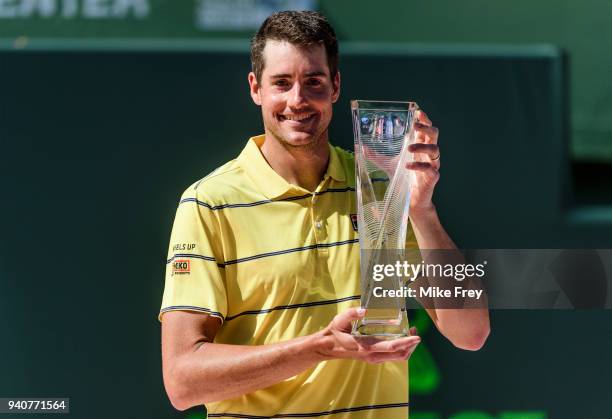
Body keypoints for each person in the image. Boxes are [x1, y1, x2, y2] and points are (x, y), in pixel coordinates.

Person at [159, 10, 490, 419]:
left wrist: (422, 211)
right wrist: (317, 348)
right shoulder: (209, 203)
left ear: (335, 86)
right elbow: (183, 381)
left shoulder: (381, 192)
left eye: (313, 82)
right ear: (255, 89)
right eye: (281, 83)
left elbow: (471, 332)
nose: (297, 100)